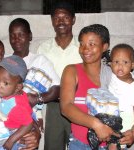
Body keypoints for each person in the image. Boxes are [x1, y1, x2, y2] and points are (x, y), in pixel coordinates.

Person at [60, 24, 134, 150]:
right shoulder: (72, 71)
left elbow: (133, 103)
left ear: (104, 47)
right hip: (80, 145)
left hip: (113, 145)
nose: (85, 49)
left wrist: (133, 131)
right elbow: (66, 107)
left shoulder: (116, 74)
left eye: (91, 44)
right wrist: (96, 125)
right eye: (82, 44)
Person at [9, 18, 60, 149]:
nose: (16, 39)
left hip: (31, 124)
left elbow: (57, 89)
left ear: (30, 36)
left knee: (29, 143)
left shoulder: (39, 60)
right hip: (8, 119)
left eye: (21, 34)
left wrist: (37, 99)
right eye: (12, 36)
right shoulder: (6, 62)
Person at [37, 1, 82, 149]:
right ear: (52, 21)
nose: (61, 21)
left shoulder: (82, 47)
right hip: (53, 107)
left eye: (65, 17)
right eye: (57, 17)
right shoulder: (44, 48)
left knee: (80, 145)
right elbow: (37, 81)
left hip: (78, 105)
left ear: (73, 20)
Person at [0, 55, 34, 150]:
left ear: (18, 87)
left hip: (15, 134)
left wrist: (11, 140)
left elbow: (28, 124)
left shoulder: (16, 106)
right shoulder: (13, 94)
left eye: (5, 83)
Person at [108, 43, 134, 149]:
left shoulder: (131, 85)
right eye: (116, 62)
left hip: (126, 117)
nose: (120, 66)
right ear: (110, 64)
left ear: (132, 65)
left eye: (125, 62)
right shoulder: (112, 75)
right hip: (113, 115)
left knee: (115, 145)